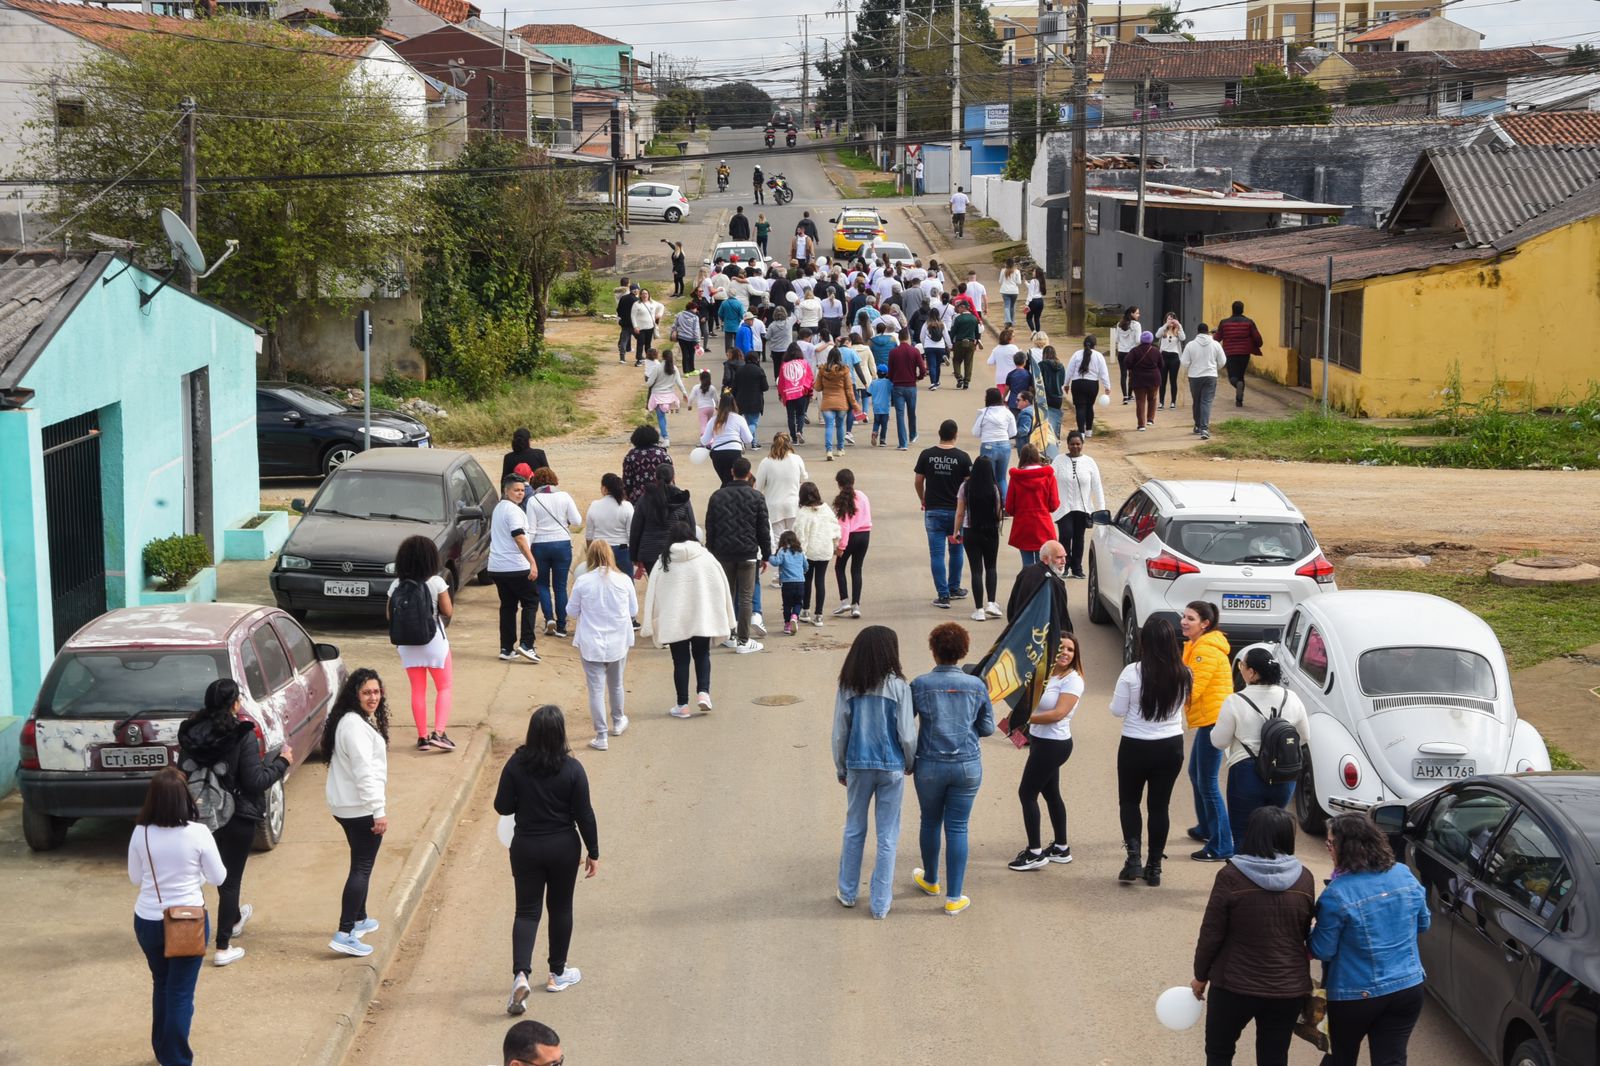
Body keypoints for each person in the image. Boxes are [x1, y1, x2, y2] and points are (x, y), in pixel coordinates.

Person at [174, 679, 292, 970]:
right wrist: (282, 763)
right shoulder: (242, 734)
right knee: (229, 880)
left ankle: (231, 920)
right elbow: (255, 781)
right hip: (237, 815)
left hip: (199, 817)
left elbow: (181, 774)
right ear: (235, 703)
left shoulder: (190, 733)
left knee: (202, 878)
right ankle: (223, 946)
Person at [1191, 806, 1316, 1066]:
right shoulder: (1305, 878)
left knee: (1219, 1053)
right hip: (1287, 989)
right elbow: (1302, 932)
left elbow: (1212, 933)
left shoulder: (1231, 876)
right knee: (1274, 1058)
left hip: (1234, 985)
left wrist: (1200, 976)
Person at [494, 705, 598, 1010]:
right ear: (560, 733)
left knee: (526, 912)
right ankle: (557, 973)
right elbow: (584, 814)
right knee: (561, 907)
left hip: (526, 846)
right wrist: (594, 851)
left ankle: (521, 976)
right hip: (564, 846)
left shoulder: (516, 764)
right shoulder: (572, 768)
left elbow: (502, 806)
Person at [1311, 815, 1431, 1066]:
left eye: (1331, 843)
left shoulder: (1337, 893)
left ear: (1347, 848)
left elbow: (1323, 949)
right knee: (1392, 1060)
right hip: (1407, 988)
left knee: (1340, 1058)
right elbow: (1423, 923)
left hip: (1354, 996)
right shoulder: (1404, 874)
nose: (1329, 848)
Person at [129, 767, 225, 1065]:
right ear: (185, 797)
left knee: (162, 984)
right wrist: (193, 877)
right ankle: (176, 1060)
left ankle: (163, 1051)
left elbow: (135, 877)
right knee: (181, 993)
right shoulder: (198, 833)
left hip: (147, 919)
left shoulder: (140, 831)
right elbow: (219, 876)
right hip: (187, 921)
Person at [910, 622, 994, 915]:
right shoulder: (976, 685)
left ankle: (931, 879)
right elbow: (987, 728)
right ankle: (954, 896)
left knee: (930, 821)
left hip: (930, 763)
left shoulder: (919, 684)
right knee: (958, 827)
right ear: (963, 651)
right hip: (967, 764)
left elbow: (907, 726)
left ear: (934, 651)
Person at [833, 625, 917, 918]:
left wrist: (840, 766)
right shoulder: (899, 687)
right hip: (891, 765)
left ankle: (847, 891)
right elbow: (906, 733)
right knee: (887, 835)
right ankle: (880, 903)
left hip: (857, 764)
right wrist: (909, 761)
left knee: (855, 828)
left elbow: (840, 732)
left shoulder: (848, 685)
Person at [1110, 617, 1190, 887]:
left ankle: (1133, 859)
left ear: (1144, 642)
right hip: (1170, 745)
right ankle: (1154, 867)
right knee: (1159, 807)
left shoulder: (1132, 673)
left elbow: (1117, 710)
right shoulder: (1184, 673)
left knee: (1130, 802)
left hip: (1135, 744)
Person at [322, 668, 390, 957]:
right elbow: (365, 773)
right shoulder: (353, 727)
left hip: (347, 805)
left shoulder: (351, 721)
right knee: (361, 868)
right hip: (359, 808)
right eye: (366, 692)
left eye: (376, 692)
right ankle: (345, 931)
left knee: (359, 862)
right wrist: (379, 811)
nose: (373, 697)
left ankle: (360, 918)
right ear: (355, 694)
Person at [1211, 646, 1310, 842]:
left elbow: (1219, 741)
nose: (1240, 669)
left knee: (1242, 835)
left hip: (1247, 773)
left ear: (1252, 672)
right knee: (1273, 834)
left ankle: (1243, 872)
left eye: (1242, 665)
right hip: (1283, 775)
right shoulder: (1291, 698)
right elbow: (1304, 737)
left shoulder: (1235, 701)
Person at [640, 522, 737, 717]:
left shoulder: (664, 561)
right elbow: (720, 586)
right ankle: (703, 693)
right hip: (702, 617)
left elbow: (653, 593)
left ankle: (682, 705)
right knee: (702, 655)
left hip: (675, 620)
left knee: (680, 661)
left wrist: (652, 621)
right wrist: (724, 613)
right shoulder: (706, 557)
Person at [1005, 631, 1083, 872]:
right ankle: (1061, 848)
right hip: (1039, 742)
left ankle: (1034, 853)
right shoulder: (1044, 673)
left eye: (1070, 649)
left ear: (1075, 655)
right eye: (1060, 648)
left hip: (1054, 745)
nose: (1065, 653)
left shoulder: (1073, 680)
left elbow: (1058, 713)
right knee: (1051, 794)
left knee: (1026, 793)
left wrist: (1024, 720)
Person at [385, 535, 455, 752]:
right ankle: (439, 733)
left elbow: (389, 615)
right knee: (444, 687)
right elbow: (447, 611)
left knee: (418, 689)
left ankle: (423, 738)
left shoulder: (397, 584)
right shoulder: (436, 582)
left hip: (407, 645)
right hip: (434, 641)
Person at [566, 542, 637, 752]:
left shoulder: (583, 581)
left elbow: (571, 611)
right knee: (616, 684)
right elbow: (633, 609)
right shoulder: (624, 580)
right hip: (617, 642)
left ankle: (601, 734)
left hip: (591, 642)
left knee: (596, 690)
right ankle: (618, 720)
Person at [1182, 601, 1234, 862]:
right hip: (1208, 719)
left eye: (1190, 618)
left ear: (1205, 624)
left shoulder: (1206, 651)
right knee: (1196, 774)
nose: (1184, 621)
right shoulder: (1194, 645)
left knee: (1208, 782)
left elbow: (1193, 687)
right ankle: (1205, 828)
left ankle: (1222, 844)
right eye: (1184, 616)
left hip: (1213, 721)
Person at [704, 456, 772, 653]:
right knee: (745, 597)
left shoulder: (717, 496)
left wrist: (711, 551)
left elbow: (711, 527)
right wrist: (766, 554)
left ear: (732, 472)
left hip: (723, 553)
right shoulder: (757, 497)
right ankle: (744, 640)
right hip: (748, 553)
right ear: (749, 474)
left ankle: (730, 634)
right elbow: (763, 529)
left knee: (727, 594)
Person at [913, 419, 972, 609]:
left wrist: (923, 498)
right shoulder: (962, 457)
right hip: (957, 513)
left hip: (934, 511)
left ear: (939, 433)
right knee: (956, 550)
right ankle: (954, 587)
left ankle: (943, 594)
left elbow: (918, 480)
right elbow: (969, 485)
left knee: (937, 554)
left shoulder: (927, 455)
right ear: (955, 435)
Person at [523, 467, 582, 640]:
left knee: (542, 585)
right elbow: (577, 521)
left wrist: (526, 552)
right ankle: (562, 626)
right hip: (562, 544)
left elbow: (531, 529)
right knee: (560, 586)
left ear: (536, 482)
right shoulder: (564, 496)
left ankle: (549, 619)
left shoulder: (533, 500)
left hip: (540, 545)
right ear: (554, 480)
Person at [489, 475, 541, 664]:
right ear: (506, 491)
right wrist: (532, 562)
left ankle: (506, 647)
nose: (520, 493)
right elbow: (519, 537)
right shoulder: (514, 511)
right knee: (531, 601)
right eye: (516, 490)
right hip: (515, 566)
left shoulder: (499, 508)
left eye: (522, 490)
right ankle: (527, 644)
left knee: (508, 606)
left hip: (497, 567)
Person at [951, 455, 1003, 621]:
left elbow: (960, 513)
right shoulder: (994, 488)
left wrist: (955, 531)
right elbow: (999, 514)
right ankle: (992, 603)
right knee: (991, 567)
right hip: (991, 531)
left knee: (976, 570)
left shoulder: (965, 487)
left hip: (971, 530)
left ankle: (979, 609)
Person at [1050, 430, 1104, 579]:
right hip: (1063, 507)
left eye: (1078, 444)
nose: (1075, 447)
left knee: (1079, 538)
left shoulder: (1090, 462)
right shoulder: (1058, 460)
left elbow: (1097, 486)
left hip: (1083, 507)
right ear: (1067, 445)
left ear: (1082, 444)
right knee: (1066, 535)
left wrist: (1101, 510)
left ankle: (1077, 568)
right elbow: (1049, 481)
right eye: (1072, 444)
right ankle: (1064, 566)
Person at [628, 463, 694, 578]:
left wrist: (634, 555)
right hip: (676, 552)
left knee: (656, 587)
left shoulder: (645, 499)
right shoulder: (682, 499)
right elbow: (691, 527)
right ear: (673, 478)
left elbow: (636, 528)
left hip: (650, 553)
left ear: (655, 478)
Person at [793, 481, 842, 624]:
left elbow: (799, 535)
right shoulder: (826, 509)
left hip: (809, 552)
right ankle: (819, 615)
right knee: (820, 581)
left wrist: (798, 551)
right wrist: (835, 545)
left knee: (807, 581)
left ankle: (805, 610)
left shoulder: (802, 513)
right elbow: (835, 528)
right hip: (824, 550)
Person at [1004, 443, 1058, 568]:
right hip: (1043, 524)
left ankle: (1028, 587)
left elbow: (1009, 508)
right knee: (1044, 567)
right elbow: (1054, 505)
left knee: (1027, 566)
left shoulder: (1016, 478)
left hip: (1023, 525)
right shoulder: (1048, 476)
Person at [830, 468, 872, 618]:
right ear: (853, 481)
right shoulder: (862, 495)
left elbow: (845, 525)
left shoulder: (843, 499)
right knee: (857, 569)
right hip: (865, 534)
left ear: (839, 484)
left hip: (851, 536)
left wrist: (841, 546)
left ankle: (844, 601)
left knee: (839, 567)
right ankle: (856, 605)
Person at [754, 431, 809, 539]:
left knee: (777, 539)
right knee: (795, 539)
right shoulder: (797, 459)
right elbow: (804, 479)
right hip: (793, 505)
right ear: (789, 443)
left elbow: (758, 488)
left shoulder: (766, 462)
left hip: (773, 507)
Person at [1181, 322, 1227, 439]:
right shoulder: (1215, 344)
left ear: (1198, 331)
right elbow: (1222, 361)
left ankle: (1197, 425)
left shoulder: (1190, 345)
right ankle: (1204, 429)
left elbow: (1184, 362)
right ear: (1207, 331)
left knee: (1196, 401)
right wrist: (1214, 368)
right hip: (1210, 376)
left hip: (1195, 377)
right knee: (1206, 402)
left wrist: (1193, 366)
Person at [583, 473, 635, 576]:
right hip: (622, 550)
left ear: (605, 489)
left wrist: (590, 552)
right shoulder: (626, 506)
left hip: (600, 551)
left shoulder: (594, 505)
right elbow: (631, 533)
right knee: (626, 581)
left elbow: (589, 534)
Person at [1215, 300, 1264, 408]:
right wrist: (1258, 345)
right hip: (1244, 353)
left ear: (1232, 309)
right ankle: (1239, 401)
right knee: (1241, 375)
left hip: (1230, 353)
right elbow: (1257, 337)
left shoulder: (1224, 323)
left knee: (1233, 376)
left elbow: (1217, 338)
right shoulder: (1249, 322)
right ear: (1242, 310)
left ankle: (1237, 385)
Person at [972, 388, 1018, 502]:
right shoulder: (1008, 413)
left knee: (989, 478)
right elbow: (1013, 432)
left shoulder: (984, 413)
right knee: (1001, 478)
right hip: (1005, 446)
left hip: (988, 446)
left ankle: (991, 504)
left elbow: (975, 432)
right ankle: (1005, 504)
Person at [814, 346, 858, 461]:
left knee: (829, 426)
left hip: (827, 402)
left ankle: (829, 450)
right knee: (840, 426)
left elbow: (817, 387)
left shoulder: (822, 370)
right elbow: (849, 390)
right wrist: (855, 405)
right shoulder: (844, 370)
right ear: (839, 357)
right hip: (841, 403)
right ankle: (840, 449)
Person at [886, 327, 926, 450]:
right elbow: (923, 369)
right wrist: (919, 377)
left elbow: (890, 371)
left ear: (899, 338)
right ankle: (913, 434)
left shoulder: (893, 352)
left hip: (898, 386)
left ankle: (902, 443)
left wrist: (893, 379)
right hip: (911, 386)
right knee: (911, 412)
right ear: (908, 337)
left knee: (900, 414)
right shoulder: (914, 351)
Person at [701, 393, 754, 486]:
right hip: (734, 453)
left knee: (726, 482)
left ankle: (723, 498)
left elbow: (704, 441)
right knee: (732, 482)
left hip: (717, 454)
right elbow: (748, 439)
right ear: (734, 404)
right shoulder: (739, 419)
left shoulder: (714, 420)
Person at [1065, 336, 1111, 437]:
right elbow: (1104, 373)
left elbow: (1069, 370)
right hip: (1092, 384)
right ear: (1095, 345)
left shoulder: (1076, 354)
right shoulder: (1099, 356)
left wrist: (1066, 384)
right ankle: (1089, 431)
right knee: (1089, 407)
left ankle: (1081, 432)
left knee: (1080, 408)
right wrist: (1107, 386)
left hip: (1078, 383)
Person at [643, 347, 688, 444]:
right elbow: (679, 383)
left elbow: (649, 383)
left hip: (658, 396)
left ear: (662, 357)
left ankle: (665, 437)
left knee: (661, 417)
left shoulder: (657, 368)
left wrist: (646, 383)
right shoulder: (674, 368)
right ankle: (663, 435)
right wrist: (684, 393)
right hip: (669, 396)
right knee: (663, 416)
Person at [772, 530, 810, 634]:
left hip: (787, 583)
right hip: (800, 582)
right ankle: (795, 616)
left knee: (787, 605)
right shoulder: (800, 552)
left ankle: (787, 624)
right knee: (798, 602)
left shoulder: (782, 551)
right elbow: (806, 566)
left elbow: (776, 562)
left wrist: (769, 556)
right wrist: (803, 571)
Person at [777, 344, 816, 443]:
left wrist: (780, 394)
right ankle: (800, 431)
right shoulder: (804, 363)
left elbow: (781, 381)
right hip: (801, 393)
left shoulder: (784, 365)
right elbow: (810, 379)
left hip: (788, 393)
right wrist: (810, 393)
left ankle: (794, 438)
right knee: (801, 414)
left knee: (790, 416)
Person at [621, 424, 671, 502]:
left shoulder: (631, 456)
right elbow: (670, 477)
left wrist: (626, 496)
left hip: (638, 500)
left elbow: (627, 480)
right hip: (661, 498)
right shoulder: (663, 455)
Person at [1127, 330, 1164, 430]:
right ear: (1151, 340)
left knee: (1140, 401)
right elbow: (1161, 365)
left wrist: (1133, 369)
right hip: (1154, 379)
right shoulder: (1156, 351)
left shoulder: (1134, 351)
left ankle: (1141, 425)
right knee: (1152, 399)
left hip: (1138, 379)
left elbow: (1127, 363)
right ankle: (1150, 419)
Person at [1035, 344, 1066, 454]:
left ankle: (1043, 441)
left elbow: (1038, 381)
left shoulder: (1041, 365)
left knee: (1044, 419)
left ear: (1044, 355)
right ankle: (1055, 439)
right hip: (1057, 397)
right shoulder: (1061, 366)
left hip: (1045, 396)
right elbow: (1062, 382)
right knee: (1056, 419)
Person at [949, 302, 982, 391]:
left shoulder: (958, 319)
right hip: (971, 342)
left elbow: (953, 332)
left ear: (963, 307)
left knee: (956, 360)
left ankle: (959, 377)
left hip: (959, 342)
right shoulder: (974, 318)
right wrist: (976, 342)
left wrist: (950, 342)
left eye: (959, 307)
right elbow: (977, 332)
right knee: (969, 362)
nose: (958, 309)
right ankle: (966, 381)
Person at [1157, 312, 1186, 411]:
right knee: (1162, 381)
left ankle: (1173, 402)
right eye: (1169, 319)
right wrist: (1166, 324)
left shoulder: (1177, 331)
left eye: (1172, 319)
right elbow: (1157, 335)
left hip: (1174, 358)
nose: (1171, 321)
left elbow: (1183, 338)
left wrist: (1179, 325)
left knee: (1173, 381)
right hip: (1164, 357)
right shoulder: (1163, 330)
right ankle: (1161, 402)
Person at [1112, 306, 1142, 403]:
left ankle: (1124, 396)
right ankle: (1130, 395)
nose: (1138, 315)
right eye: (1137, 313)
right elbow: (1138, 340)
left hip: (1121, 352)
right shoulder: (1136, 325)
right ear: (1132, 314)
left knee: (1123, 374)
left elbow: (1116, 339)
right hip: (1132, 352)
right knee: (1132, 374)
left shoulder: (1119, 324)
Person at [630, 287, 662, 366]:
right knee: (640, 343)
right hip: (641, 328)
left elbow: (661, 306)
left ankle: (649, 358)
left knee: (648, 344)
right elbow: (633, 316)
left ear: (648, 295)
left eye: (646, 293)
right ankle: (639, 359)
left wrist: (659, 314)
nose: (645, 295)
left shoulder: (652, 303)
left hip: (650, 327)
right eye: (643, 294)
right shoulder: (636, 304)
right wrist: (635, 326)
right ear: (640, 295)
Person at [987, 327, 1021, 393]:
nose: (1014, 338)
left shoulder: (996, 349)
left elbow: (990, 362)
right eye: (1013, 336)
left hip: (1000, 378)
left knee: (1003, 398)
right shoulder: (1013, 348)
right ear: (1009, 338)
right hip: (1012, 377)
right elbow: (1019, 360)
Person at [867, 362, 893, 447]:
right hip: (885, 407)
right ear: (886, 373)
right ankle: (882, 440)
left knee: (876, 422)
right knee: (884, 425)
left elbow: (868, 393)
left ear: (877, 373)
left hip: (876, 407)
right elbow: (893, 390)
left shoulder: (874, 382)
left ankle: (874, 432)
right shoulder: (889, 383)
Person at [614, 282, 639, 364]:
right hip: (634, 324)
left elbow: (619, 310)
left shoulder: (623, 298)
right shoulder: (636, 300)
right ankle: (639, 357)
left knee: (623, 341)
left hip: (624, 323)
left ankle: (622, 358)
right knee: (640, 340)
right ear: (635, 291)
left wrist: (623, 317)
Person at [717, 289, 747, 353]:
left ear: (728, 294)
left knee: (728, 341)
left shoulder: (724, 303)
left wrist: (723, 319)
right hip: (737, 324)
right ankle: (737, 353)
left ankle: (728, 353)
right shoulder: (739, 303)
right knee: (737, 341)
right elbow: (742, 315)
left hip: (727, 324)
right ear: (735, 294)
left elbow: (720, 313)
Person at [998, 258, 1023, 327]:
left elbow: (1000, 281)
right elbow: (1019, 282)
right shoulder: (1017, 271)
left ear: (1006, 264)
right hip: (1014, 291)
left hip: (1005, 291)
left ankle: (1008, 320)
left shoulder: (1003, 271)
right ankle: (1012, 321)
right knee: (1012, 306)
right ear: (1013, 264)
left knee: (1006, 306)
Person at [1024, 267, 1046, 333]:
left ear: (1037, 273)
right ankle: (1038, 333)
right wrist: (1025, 282)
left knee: (1029, 318)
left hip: (1033, 302)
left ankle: (1033, 332)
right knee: (1037, 319)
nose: (1033, 273)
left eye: (1034, 271)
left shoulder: (1033, 281)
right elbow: (1032, 288)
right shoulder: (1041, 281)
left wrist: (1026, 303)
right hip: (1040, 301)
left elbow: (1030, 293)